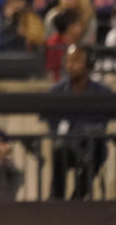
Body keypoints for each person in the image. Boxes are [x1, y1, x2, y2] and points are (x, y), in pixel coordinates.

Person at [43, 45, 112, 200]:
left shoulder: (103, 92)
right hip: (67, 143)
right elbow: (49, 120)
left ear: (89, 64)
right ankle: (57, 200)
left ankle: (77, 199)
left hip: (92, 144)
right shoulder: (56, 92)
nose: (71, 65)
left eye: (77, 61)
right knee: (59, 152)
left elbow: (109, 117)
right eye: (69, 61)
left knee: (100, 150)